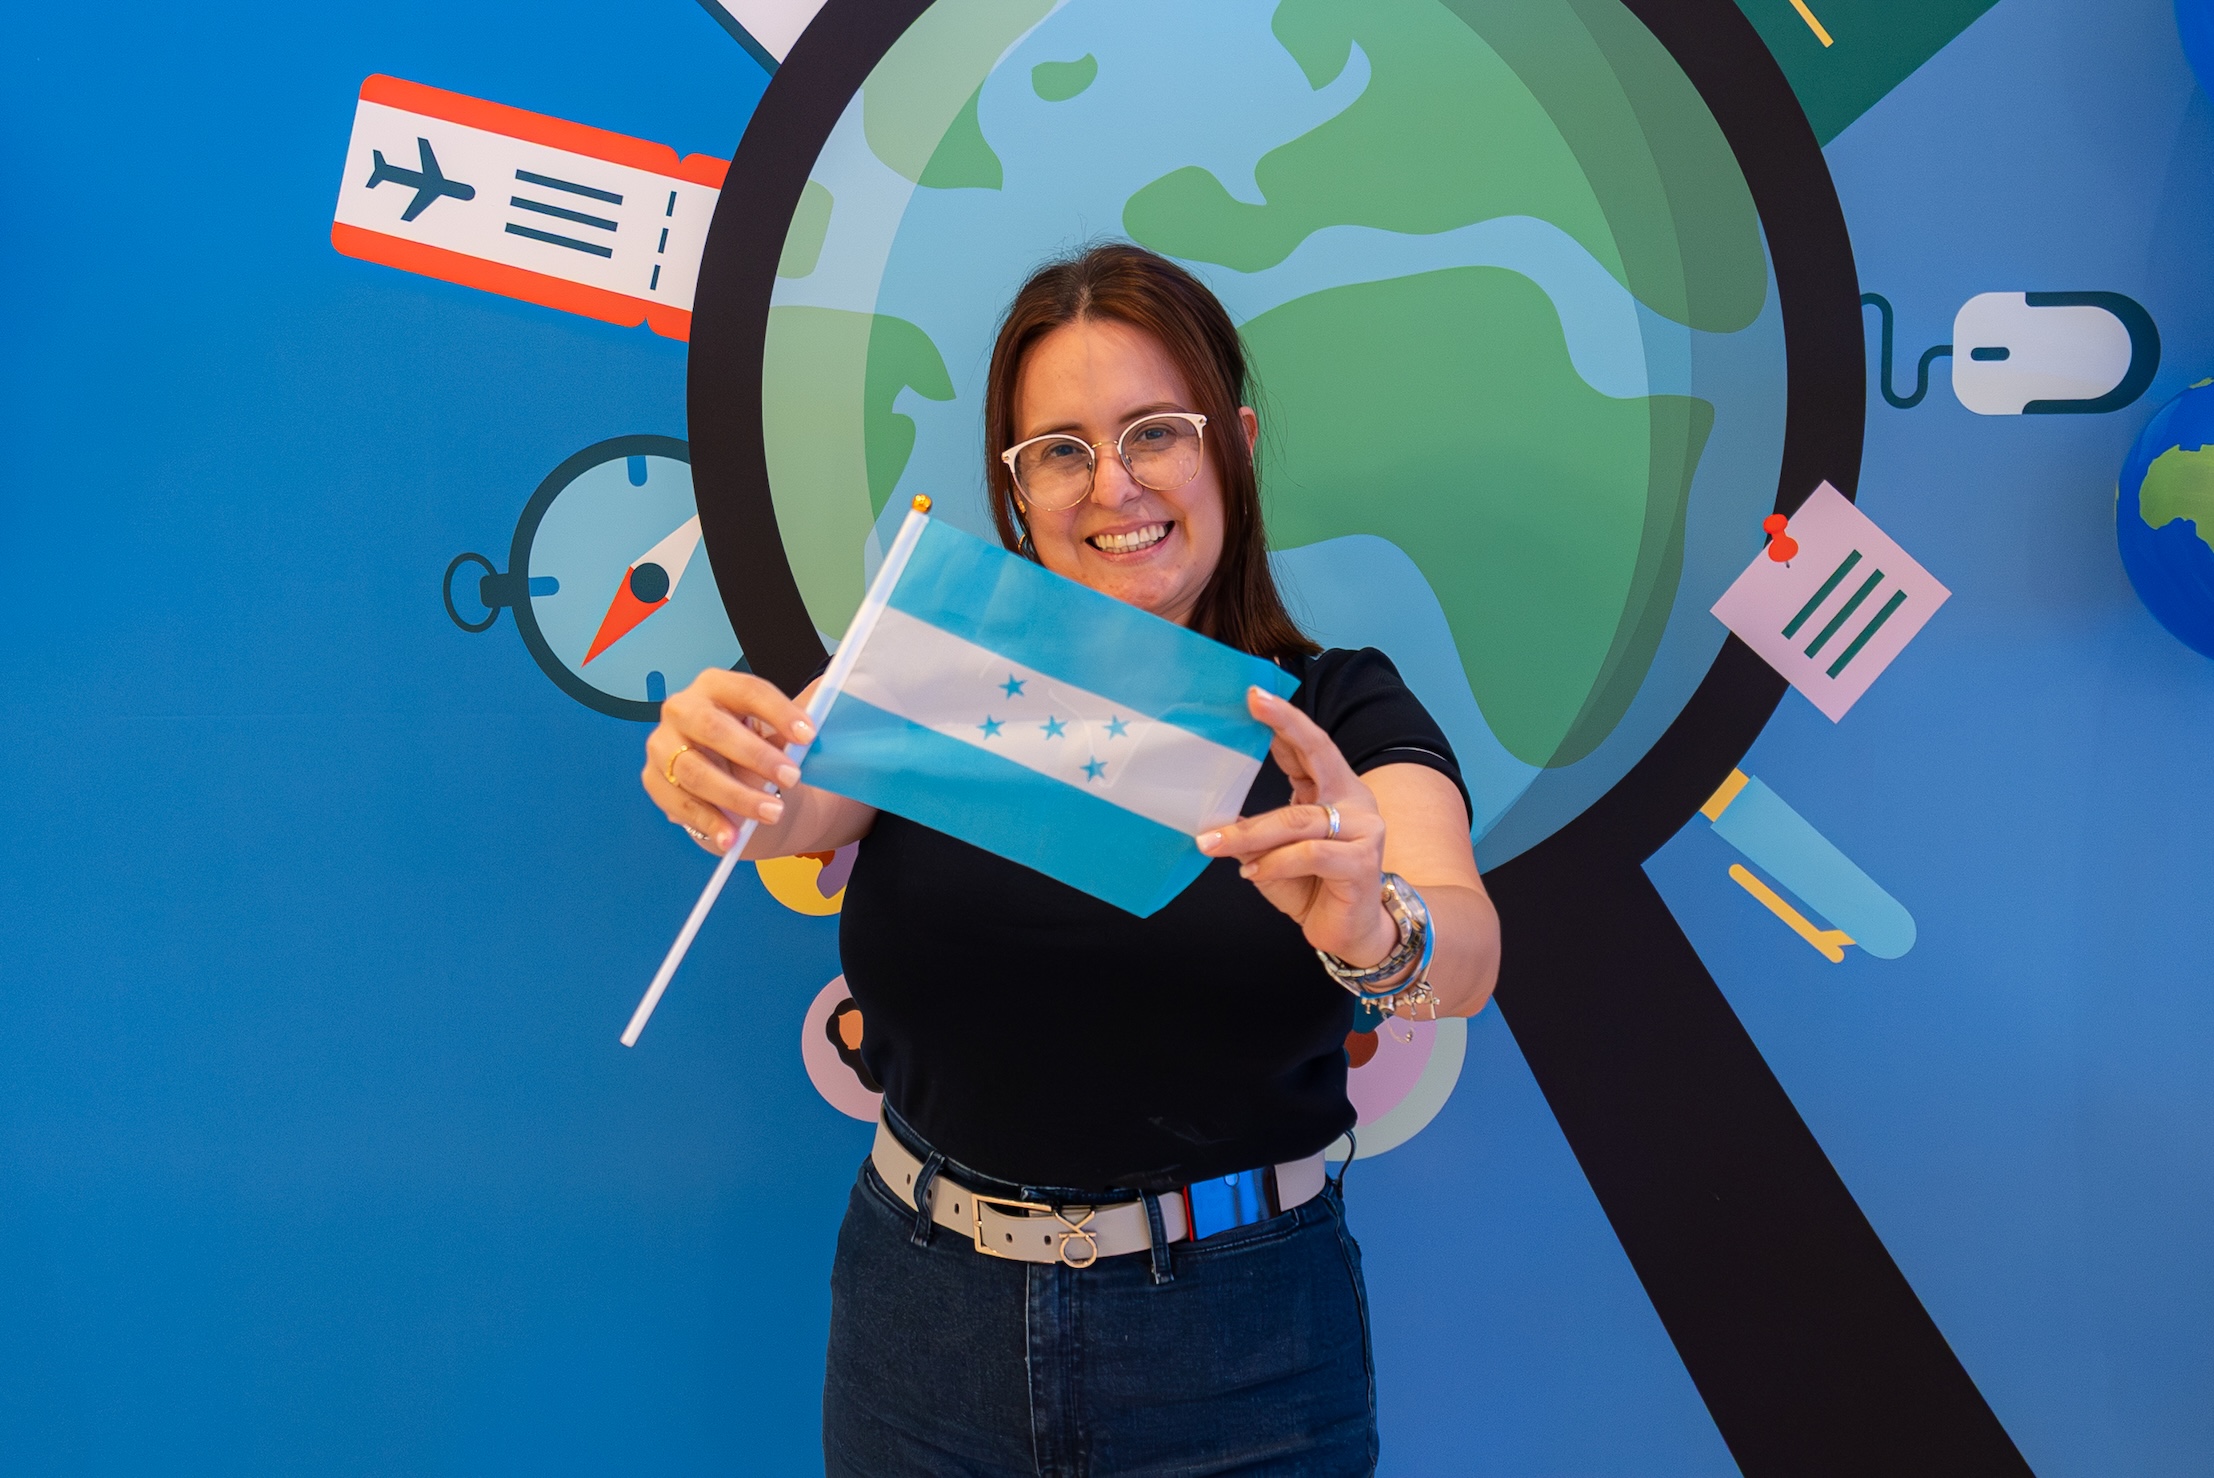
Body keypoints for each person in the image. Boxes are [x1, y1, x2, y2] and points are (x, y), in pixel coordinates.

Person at [643, 243, 1502, 1476]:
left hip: (1243, 1344)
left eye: (1155, 431)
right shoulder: (939, 674)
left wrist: (1377, 928)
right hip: (923, 1326)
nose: (1113, 486)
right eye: (1059, 450)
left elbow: (1461, 948)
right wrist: (708, 761)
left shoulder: (1337, 712)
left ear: (1237, 443)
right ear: (1017, 488)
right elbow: (784, 809)